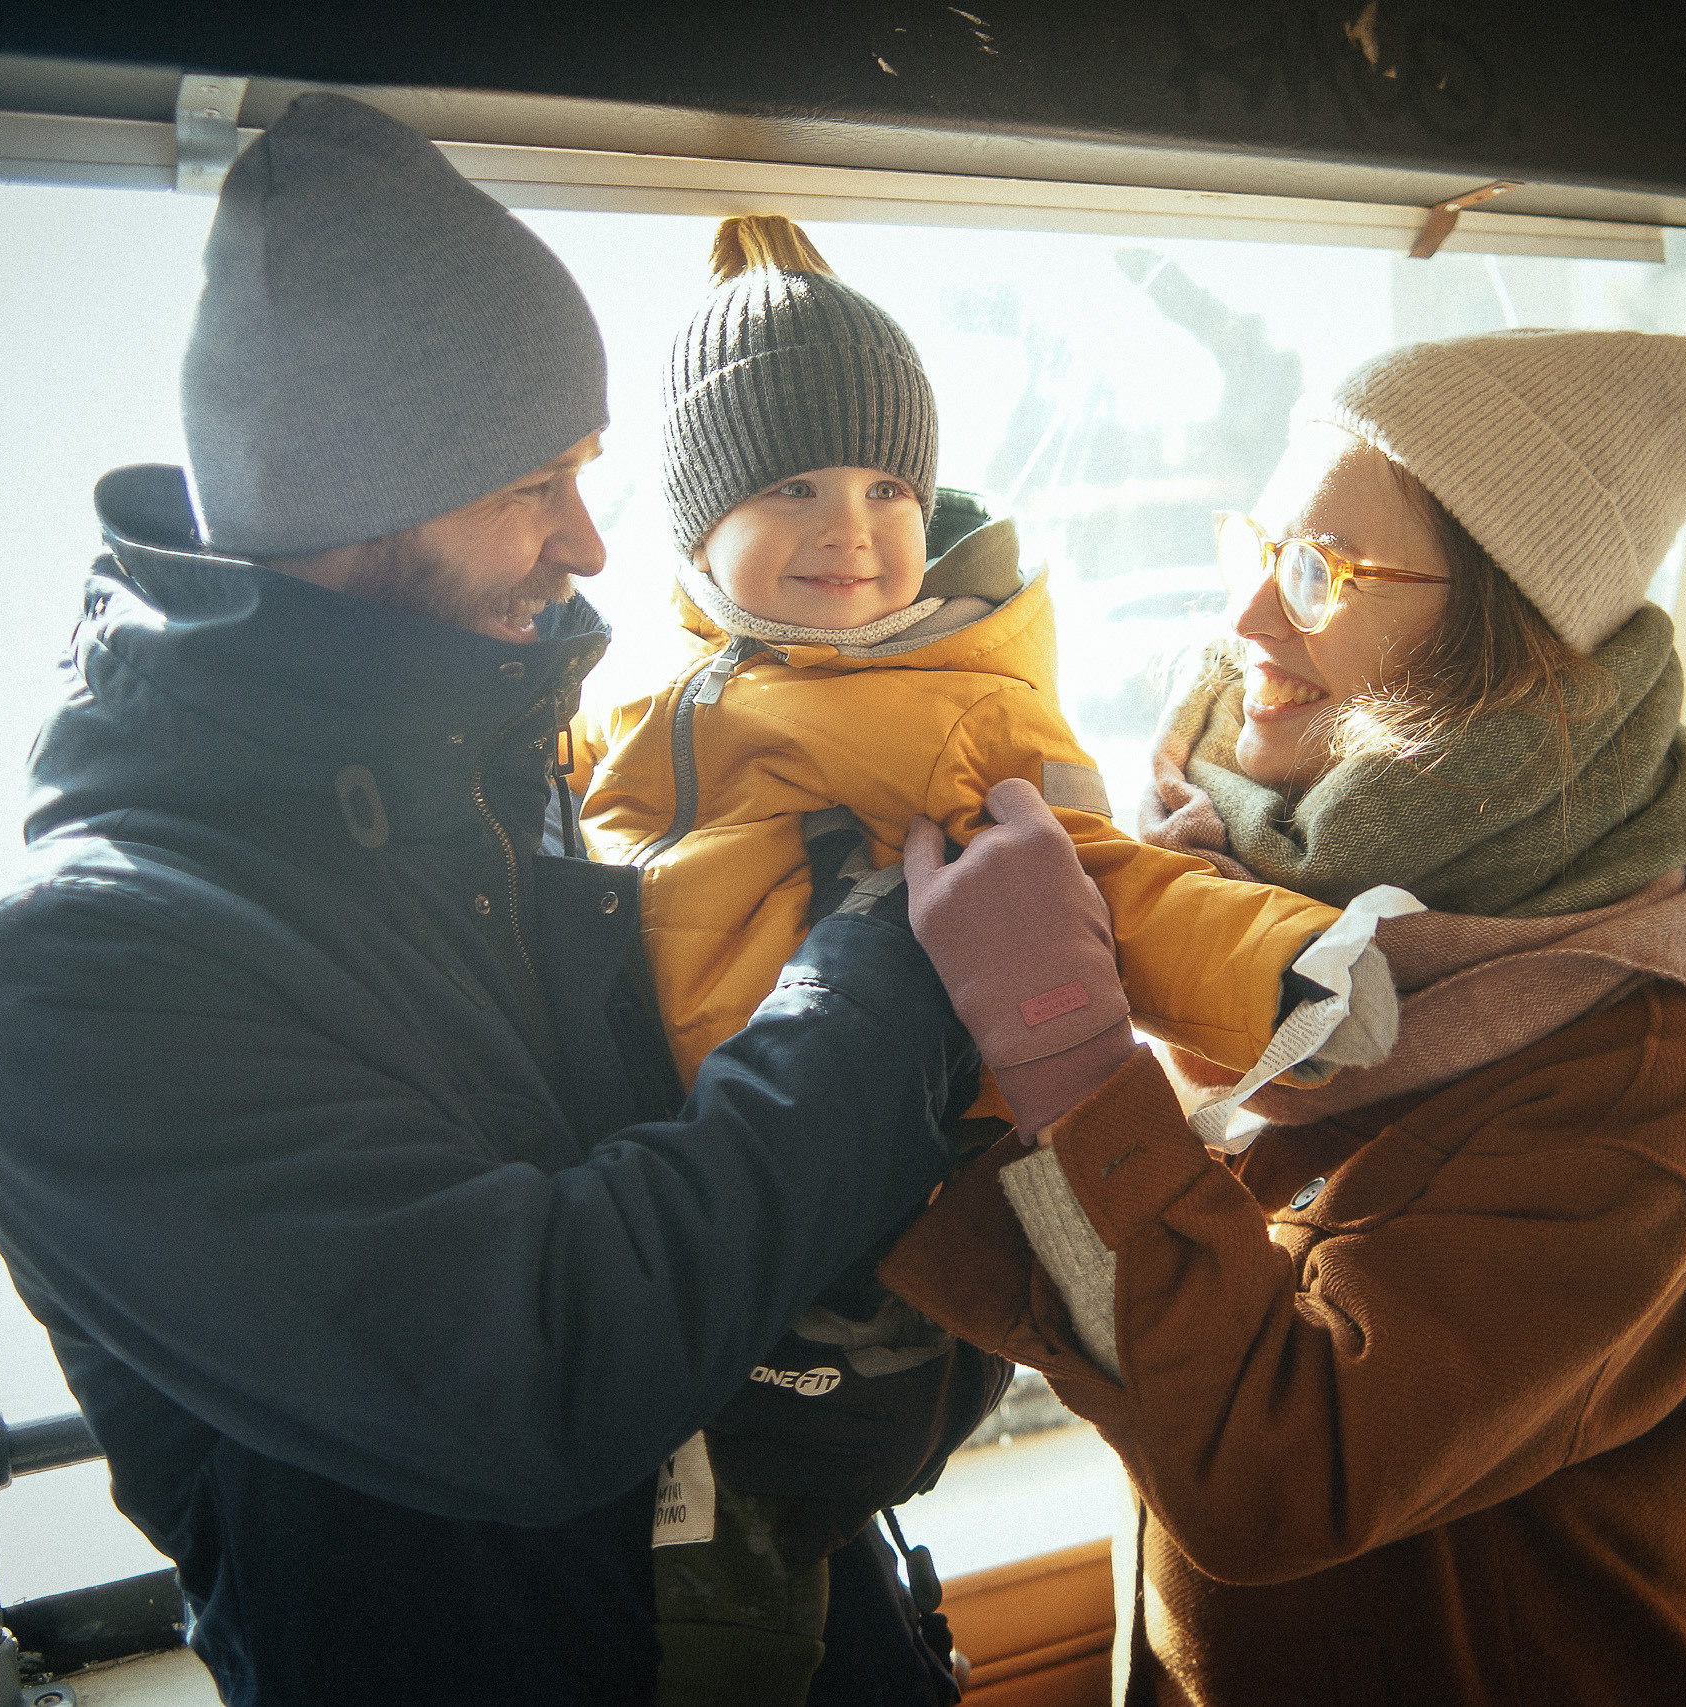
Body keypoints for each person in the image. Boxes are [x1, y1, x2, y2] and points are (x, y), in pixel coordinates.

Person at [0, 93, 1060, 1706]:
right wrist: (889, 977)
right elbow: (545, 1364)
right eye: (538, 481)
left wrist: (902, 1351)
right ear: (357, 496)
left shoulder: (522, 795)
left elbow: (759, 1251)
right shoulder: (81, 978)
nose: (590, 543)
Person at [881, 329, 1686, 1705]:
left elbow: (1272, 1472)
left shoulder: (1643, 1061)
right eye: (1260, 546)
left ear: (1507, 649)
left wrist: (1066, 1048)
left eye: (1318, 574)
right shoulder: (1232, 897)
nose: (1245, 622)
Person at [570, 213, 1388, 1707]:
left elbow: (1100, 888)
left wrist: (1284, 968)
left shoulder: (947, 704)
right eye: (793, 485)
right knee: (687, 1487)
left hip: (864, 1193)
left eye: (890, 484)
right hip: (688, 1173)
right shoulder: (648, 692)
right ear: (691, 523)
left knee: (757, 1543)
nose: (855, 527)